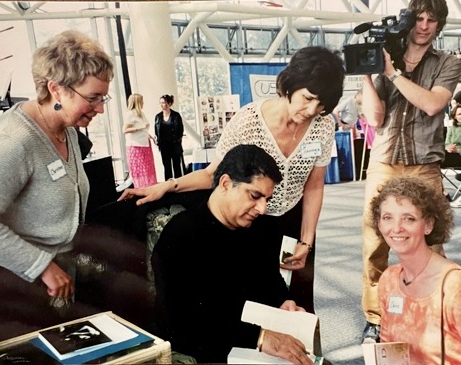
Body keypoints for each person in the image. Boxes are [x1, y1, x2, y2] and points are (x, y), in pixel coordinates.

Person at [120, 46, 346, 314]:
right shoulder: (249, 120)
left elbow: (314, 186)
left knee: (298, 303)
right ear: (290, 84)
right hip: (251, 220)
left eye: (321, 105)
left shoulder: (323, 125)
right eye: (308, 98)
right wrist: (168, 185)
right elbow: (213, 174)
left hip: (297, 223)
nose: (312, 110)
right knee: (256, 302)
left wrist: (307, 241)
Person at [0, 30, 114, 342]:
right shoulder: (12, 142)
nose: (100, 108)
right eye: (93, 98)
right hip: (17, 286)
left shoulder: (67, 129)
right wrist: (42, 265)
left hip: (58, 277)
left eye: (103, 97)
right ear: (56, 89)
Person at [152, 144, 314, 365]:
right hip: (213, 351)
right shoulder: (181, 236)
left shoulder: (260, 228)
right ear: (226, 184)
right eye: (254, 195)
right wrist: (259, 337)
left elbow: (269, 280)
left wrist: (283, 303)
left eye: (266, 199)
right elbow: (181, 323)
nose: (262, 209)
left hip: (258, 347)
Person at [360, 0, 461, 342]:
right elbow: (375, 118)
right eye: (419, 17)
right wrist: (368, 74)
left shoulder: (448, 63)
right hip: (384, 162)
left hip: (424, 166)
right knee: (375, 243)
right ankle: (375, 318)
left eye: (432, 19)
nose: (424, 25)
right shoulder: (387, 58)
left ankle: (437, 313)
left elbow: (433, 103)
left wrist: (393, 74)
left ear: (439, 24)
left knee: (432, 244)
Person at [368, 176, 461, 364]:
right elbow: (390, 350)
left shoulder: (453, 286)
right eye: (387, 218)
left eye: (408, 219)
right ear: (379, 223)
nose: (396, 228)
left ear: (428, 225)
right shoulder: (389, 279)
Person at [123, 93, 157, 188]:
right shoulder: (130, 114)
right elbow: (125, 130)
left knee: (147, 168)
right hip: (136, 146)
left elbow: (143, 129)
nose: (143, 103)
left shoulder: (141, 114)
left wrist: (149, 136)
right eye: (141, 101)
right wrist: (140, 128)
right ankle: (141, 187)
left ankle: (149, 186)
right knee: (140, 168)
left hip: (145, 144)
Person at [154, 94, 185, 180]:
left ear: (169, 103)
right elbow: (156, 131)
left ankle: (179, 187)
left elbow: (180, 130)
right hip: (164, 146)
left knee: (177, 167)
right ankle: (168, 187)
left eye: (163, 102)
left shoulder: (176, 115)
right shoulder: (158, 117)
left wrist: (178, 140)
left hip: (175, 145)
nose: (161, 105)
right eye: (160, 103)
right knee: (167, 168)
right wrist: (157, 140)